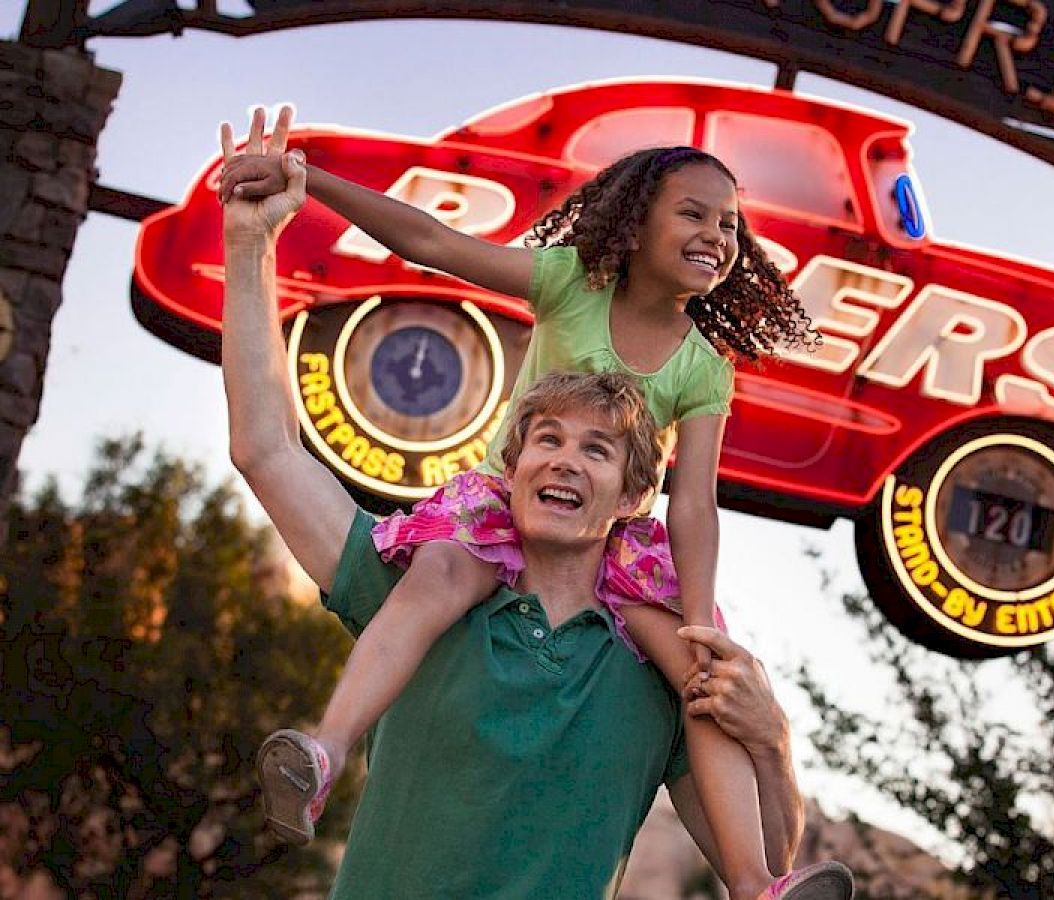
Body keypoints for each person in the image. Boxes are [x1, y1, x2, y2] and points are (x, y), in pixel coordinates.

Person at [221, 108, 839, 900]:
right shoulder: (425, 589)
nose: (565, 460)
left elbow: (697, 509)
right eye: (546, 438)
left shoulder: (655, 675)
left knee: (706, 680)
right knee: (445, 576)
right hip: (470, 547)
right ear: (513, 458)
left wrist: (767, 731)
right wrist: (273, 221)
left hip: (644, 595)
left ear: (631, 490)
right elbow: (267, 444)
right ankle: (324, 752)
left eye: (598, 449)